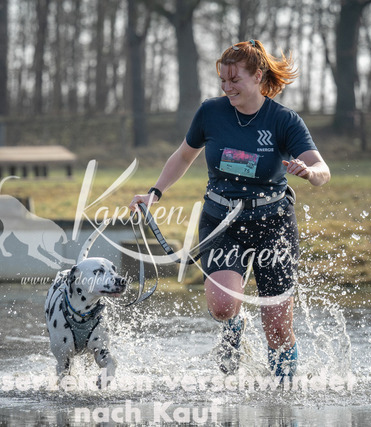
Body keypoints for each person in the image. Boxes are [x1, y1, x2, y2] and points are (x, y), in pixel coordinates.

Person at [128, 39, 330, 377]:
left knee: (278, 329)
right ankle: (235, 325)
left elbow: (323, 170)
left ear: (258, 75)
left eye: (234, 80)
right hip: (221, 221)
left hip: (274, 224)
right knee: (223, 307)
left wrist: (309, 172)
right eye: (222, 80)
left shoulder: (284, 120)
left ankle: (284, 392)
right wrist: (154, 193)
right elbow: (183, 156)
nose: (227, 87)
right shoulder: (211, 112)